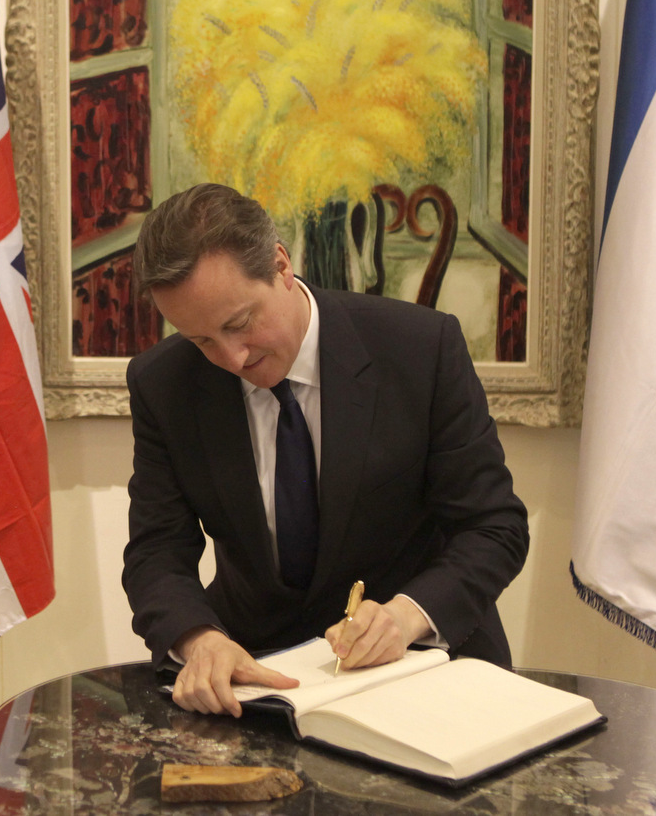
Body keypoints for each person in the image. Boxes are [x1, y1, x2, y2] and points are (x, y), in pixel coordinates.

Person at [122, 183, 529, 717]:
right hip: (261, 682)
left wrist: (406, 615)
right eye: (201, 341)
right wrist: (200, 641)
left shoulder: (419, 349)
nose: (232, 357)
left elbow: (494, 526)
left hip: (426, 671)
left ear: (281, 265)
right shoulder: (164, 383)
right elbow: (156, 552)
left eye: (239, 323)